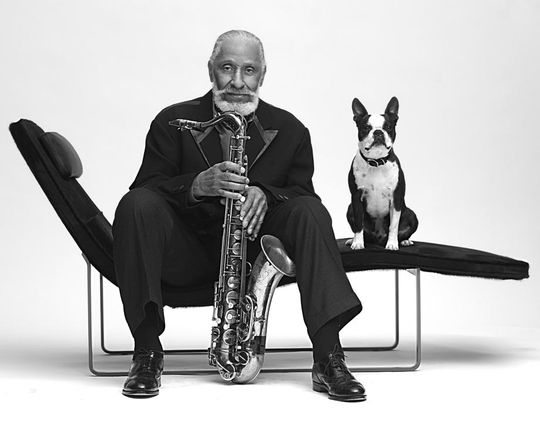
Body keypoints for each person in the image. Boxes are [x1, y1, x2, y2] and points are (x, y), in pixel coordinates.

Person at [112, 29, 365, 402]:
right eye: (227, 68)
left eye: (249, 71)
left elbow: (302, 194)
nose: (237, 82)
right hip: (188, 254)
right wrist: (196, 185)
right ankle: (146, 352)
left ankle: (328, 356)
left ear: (262, 76)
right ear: (211, 70)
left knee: (311, 211)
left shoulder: (292, 129)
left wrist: (267, 193)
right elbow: (146, 188)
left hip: (252, 249)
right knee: (134, 205)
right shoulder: (173, 121)